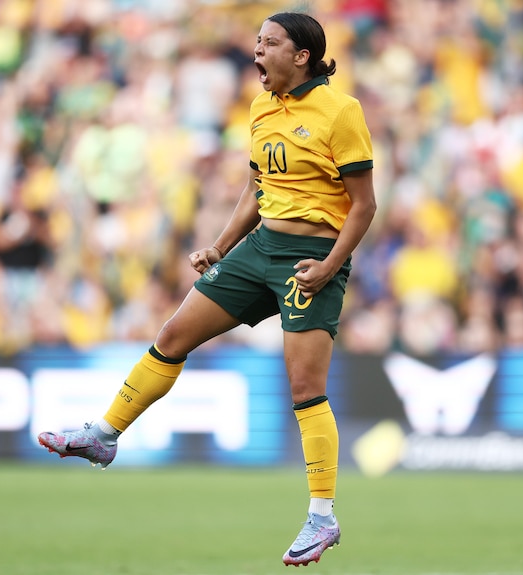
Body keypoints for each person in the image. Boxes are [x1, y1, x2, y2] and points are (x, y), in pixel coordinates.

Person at [38, 11, 376, 567]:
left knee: (305, 388)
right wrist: (221, 245)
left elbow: (364, 205)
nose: (257, 52)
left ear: (302, 56)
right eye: (256, 41)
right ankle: (103, 434)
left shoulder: (342, 111)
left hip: (312, 257)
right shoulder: (261, 107)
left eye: (269, 44)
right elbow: (256, 188)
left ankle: (322, 516)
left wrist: (330, 263)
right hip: (260, 248)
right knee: (172, 334)